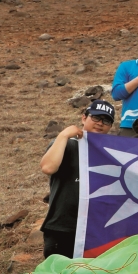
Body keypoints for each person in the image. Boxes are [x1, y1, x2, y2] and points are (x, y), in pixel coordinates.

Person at [39, 100, 116, 259]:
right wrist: (63, 135)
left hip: (96, 230)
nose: (100, 123)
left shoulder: (111, 153)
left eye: (106, 120)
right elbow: (48, 167)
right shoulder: (67, 144)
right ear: (84, 118)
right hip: (62, 227)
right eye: (95, 118)